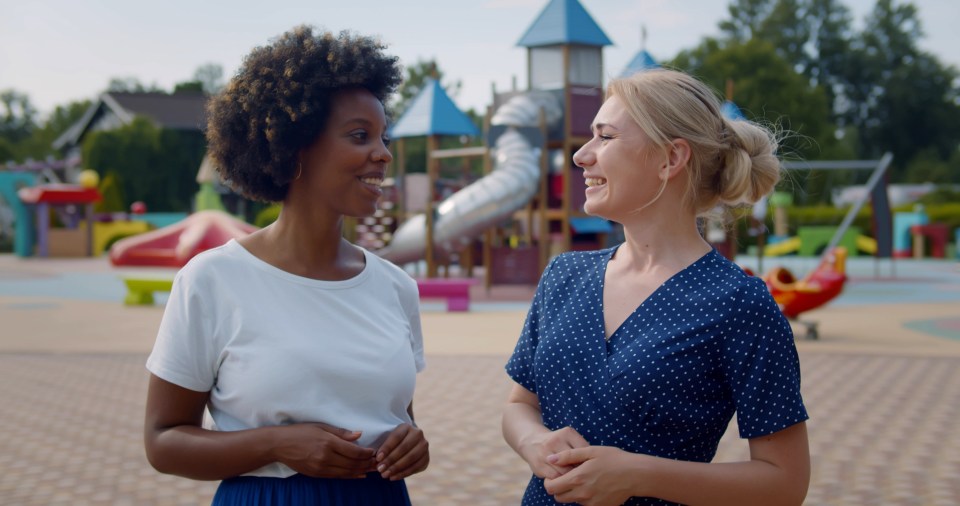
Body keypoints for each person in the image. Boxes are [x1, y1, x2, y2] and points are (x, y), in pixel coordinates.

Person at [144, 26, 429, 505]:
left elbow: (395, 415)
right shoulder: (212, 280)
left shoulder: (396, 287)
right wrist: (275, 444)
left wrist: (411, 442)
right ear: (295, 146)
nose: (382, 154)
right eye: (360, 136)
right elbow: (163, 441)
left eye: (383, 137)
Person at [502, 68, 810, 506]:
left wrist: (637, 475)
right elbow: (519, 405)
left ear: (670, 158)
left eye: (605, 137)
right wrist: (533, 442)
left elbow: (784, 483)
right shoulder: (563, 276)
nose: (581, 156)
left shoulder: (739, 304)